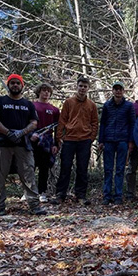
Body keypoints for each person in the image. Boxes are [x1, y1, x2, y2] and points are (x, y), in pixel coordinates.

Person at [0, 74, 47, 217]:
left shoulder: (28, 104)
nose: (15, 85)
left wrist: (22, 132)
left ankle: (34, 205)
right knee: (0, 175)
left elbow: (34, 122)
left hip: (23, 144)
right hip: (2, 144)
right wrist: (8, 132)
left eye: (17, 83)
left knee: (28, 173)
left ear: (22, 86)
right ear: (8, 85)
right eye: (12, 83)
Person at [53, 76, 99, 205]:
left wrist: (92, 138)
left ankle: (81, 195)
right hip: (69, 139)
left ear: (88, 88)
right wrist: (59, 137)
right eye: (81, 86)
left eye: (85, 86)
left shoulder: (91, 105)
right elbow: (62, 120)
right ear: (76, 86)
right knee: (65, 167)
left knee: (82, 168)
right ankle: (60, 195)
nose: (82, 89)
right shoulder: (69, 102)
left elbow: (95, 122)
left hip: (85, 140)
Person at [98, 81, 136, 205]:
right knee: (108, 169)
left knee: (120, 169)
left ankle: (118, 195)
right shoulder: (107, 105)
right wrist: (101, 141)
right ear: (112, 91)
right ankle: (106, 195)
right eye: (116, 89)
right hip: (108, 140)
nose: (118, 91)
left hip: (123, 141)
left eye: (120, 89)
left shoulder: (129, 106)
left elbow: (132, 124)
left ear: (123, 91)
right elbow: (102, 123)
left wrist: (131, 141)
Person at [28, 83, 60, 203]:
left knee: (44, 167)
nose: (46, 93)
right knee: (30, 166)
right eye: (43, 90)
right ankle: (29, 191)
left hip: (47, 141)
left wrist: (56, 144)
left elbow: (58, 128)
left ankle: (42, 192)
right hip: (33, 140)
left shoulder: (54, 110)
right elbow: (26, 123)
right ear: (39, 92)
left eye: (48, 91)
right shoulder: (31, 106)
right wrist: (30, 135)